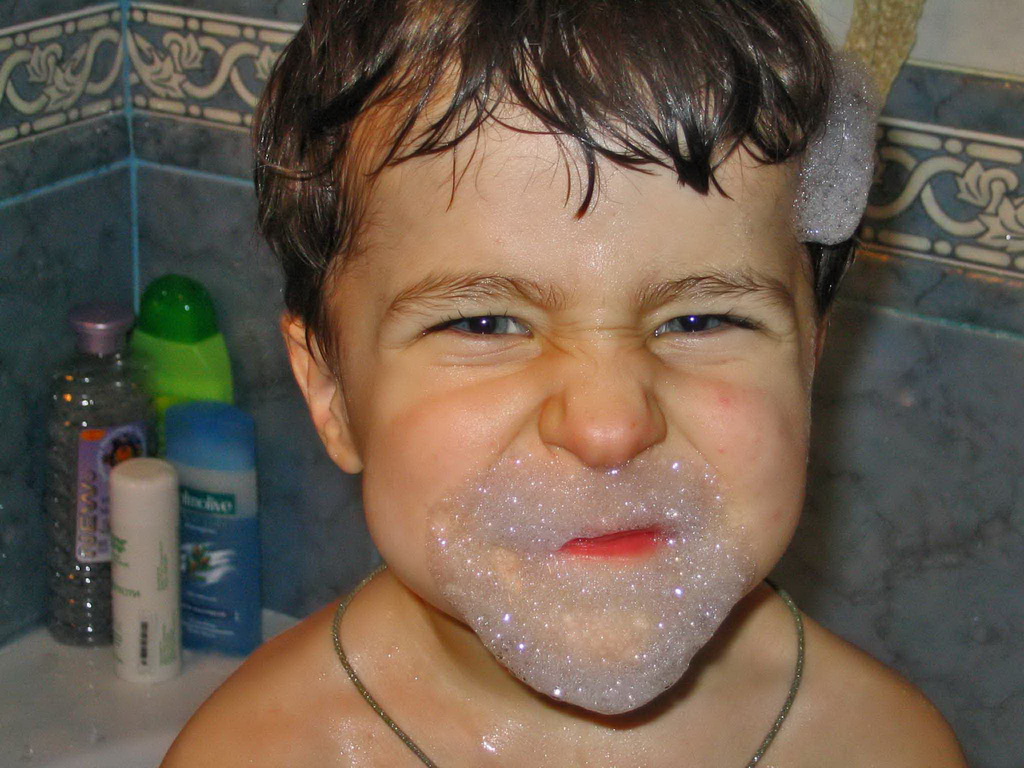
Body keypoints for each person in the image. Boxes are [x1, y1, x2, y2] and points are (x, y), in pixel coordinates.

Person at [162, 0, 969, 764]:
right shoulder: (256, 754)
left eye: (700, 320)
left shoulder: (883, 749)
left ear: (808, 363)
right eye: (485, 324)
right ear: (332, 394)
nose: (609, 426)